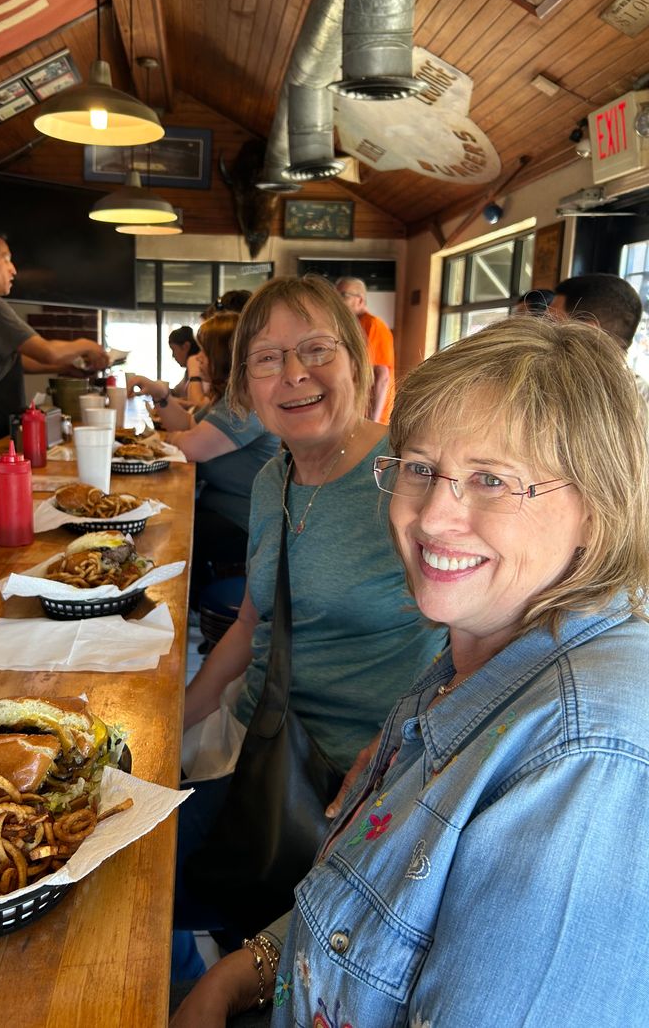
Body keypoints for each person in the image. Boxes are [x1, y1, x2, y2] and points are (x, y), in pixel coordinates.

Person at [170, 315, 649, 1027]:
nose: (431, 517)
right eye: (421, 468)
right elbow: (372, 900)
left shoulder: (587, 761)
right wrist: (242, 975)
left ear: (598, 509)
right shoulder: (476, 656)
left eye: (492, 479)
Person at [172, 275, 446, 979]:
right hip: (252, 746)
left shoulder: (412, 481)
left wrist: (402, 753)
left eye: (317, 349)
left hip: (347, 788)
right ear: (247, 384)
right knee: (120, 870)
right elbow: (250, 623)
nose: (294, 374)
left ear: (357, 361)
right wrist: (170, 723)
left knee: (144, 889)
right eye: (267, 358)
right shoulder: (275, 478)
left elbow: (481, 648)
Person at [128, 312, 280, 598]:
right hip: (222, 510)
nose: (198, 358)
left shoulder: (247, 405)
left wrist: (170, 439)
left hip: (247, 524)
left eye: (204, 351)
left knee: (165, 532)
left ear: (223, 356)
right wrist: (162, 396)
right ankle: (195, 597)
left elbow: (188, 447)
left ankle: (183, 604)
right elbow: (187, 425)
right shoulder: (231, 397)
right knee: (167, 519)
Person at [0, 226, 109, 446]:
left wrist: (65, 367)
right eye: (6, 259)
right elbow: (47, 352)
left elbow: (17, 362)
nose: (13, 270)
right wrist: (87, 344)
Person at [553, 272, 649, 403]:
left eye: (552, 322)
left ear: (588, 333)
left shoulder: (564, 398)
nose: (540, 330)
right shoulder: (640, 394)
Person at [335, 276, 395, 423]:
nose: (336, 301)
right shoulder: (352, 326)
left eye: (343, 295)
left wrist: (373, 422)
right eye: (335, 295)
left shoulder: (373, 325)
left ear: (360, 300)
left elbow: (382, 376)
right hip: (355, 412)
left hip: (372, 416)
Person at [168, 325, 205, 403]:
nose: (173, 356)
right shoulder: (189, 371)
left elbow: (197, 405)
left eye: (173, 349)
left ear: (186, 346)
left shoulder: (200, 370)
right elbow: (177, 392)